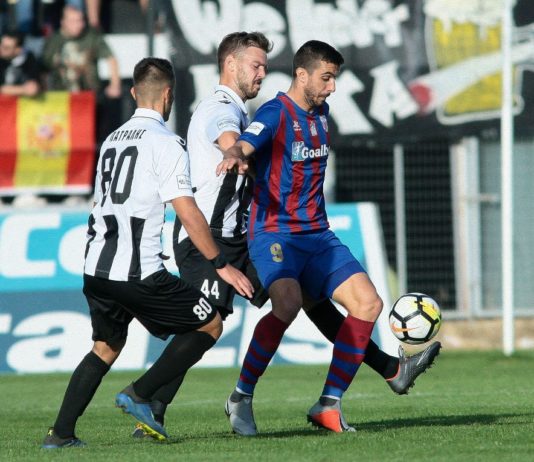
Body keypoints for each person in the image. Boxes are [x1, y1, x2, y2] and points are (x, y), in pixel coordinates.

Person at [131, 34, 441, 438]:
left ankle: (340, 397)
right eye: (326, 78)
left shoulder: (317, 112)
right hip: (239, 234)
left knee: (357, 303)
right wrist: (235, 153)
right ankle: (167, 401)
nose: (332, 87)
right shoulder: (255, 110)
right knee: (214, 323)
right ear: (302, 75)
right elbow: (241, 139)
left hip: (307, 235)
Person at [41, 56, 254, 449]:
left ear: (134, 92)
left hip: (96, 268)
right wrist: (220, 264)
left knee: (105, 347)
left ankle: (61, 434)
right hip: (139, 272)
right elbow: (187, 211)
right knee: (209, 324)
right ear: (168, 95)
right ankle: (140, 394)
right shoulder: (166, 143)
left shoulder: (111, 141)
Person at [41, 4, 121, 146]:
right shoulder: (54, 40)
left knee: (93, 140)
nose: (79, 25)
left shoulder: (91, 36)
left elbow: (111, 58)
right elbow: (43, 68)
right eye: (73, 21)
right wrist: (45, 93)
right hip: (62, 101)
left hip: (90, 99)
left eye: (80, 20)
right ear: (63, 22)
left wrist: (115, 85)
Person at [0, 30, 40, 96]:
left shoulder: (29, 60)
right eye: (1, 45)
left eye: (6, 48)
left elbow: (32, 90)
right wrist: (22, 89)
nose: (0, 49)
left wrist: (5, 89)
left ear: (18, 50)